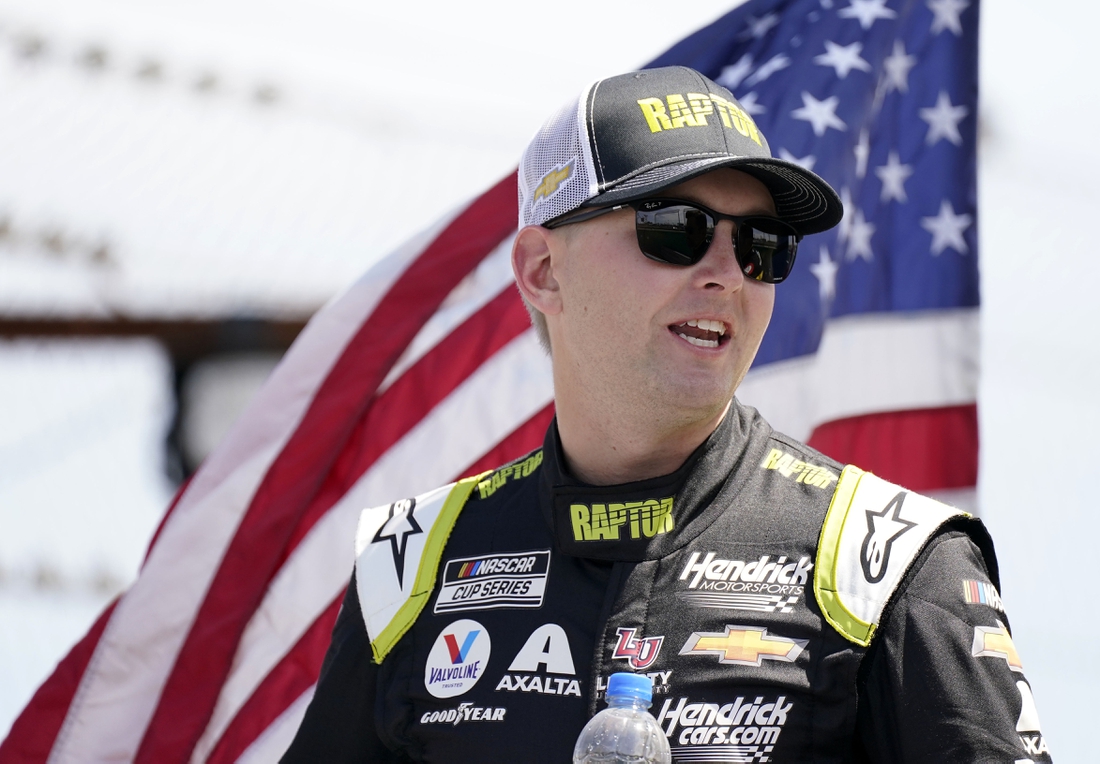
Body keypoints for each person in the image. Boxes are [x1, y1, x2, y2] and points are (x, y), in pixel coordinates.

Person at [282, 66, 1050, 763]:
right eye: (674, 230)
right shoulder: (411, 562)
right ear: (543, 271)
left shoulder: (896, 564)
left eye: (762, 246)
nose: (726, 275)